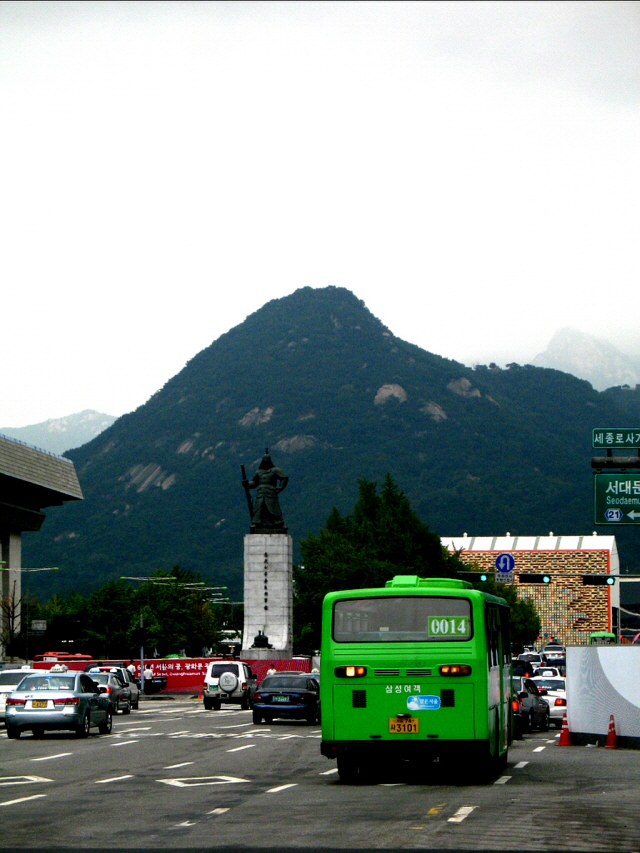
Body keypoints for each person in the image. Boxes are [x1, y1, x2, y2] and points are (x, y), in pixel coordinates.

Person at [244, 451, 288, 531]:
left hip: (270, 492)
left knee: (273, 508)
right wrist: (247, 483)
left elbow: (284, 477)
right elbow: (254, 483)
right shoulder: (259, 472)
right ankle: (256, 523)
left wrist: (280, 487)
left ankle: (278, 523)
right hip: (260, 492)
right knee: (259, 508)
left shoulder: (275, 470)